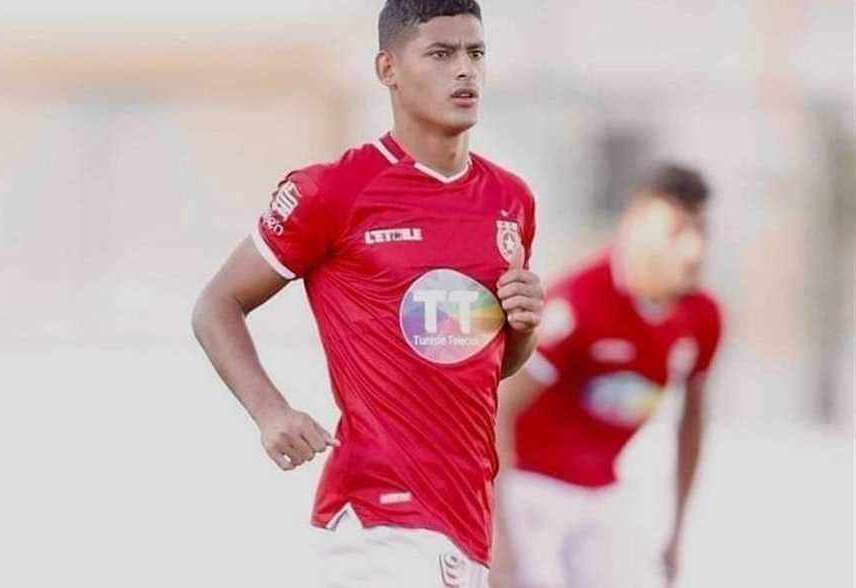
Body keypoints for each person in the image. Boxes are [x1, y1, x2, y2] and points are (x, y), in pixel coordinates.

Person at [191, 1, 544, 586]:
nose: (465, 70)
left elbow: (484, 364)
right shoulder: (334, 192)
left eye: (476, 52)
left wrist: (525, 325)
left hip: (464, 519)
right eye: (441, 53)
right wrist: (270, 411)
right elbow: (216, 304)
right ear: (388, 69)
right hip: (379, 521)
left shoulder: (510, 200)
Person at [492, 165, 722, 588]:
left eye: (700, 232)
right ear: (634, 228)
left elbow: (692, 421)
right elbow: (498, 407)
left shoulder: (701, 317)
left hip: (603, 490)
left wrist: (677, 530)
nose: (693, 250)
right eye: (676, 232)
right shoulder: (578, 304)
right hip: (532, 490)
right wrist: (497, 530)